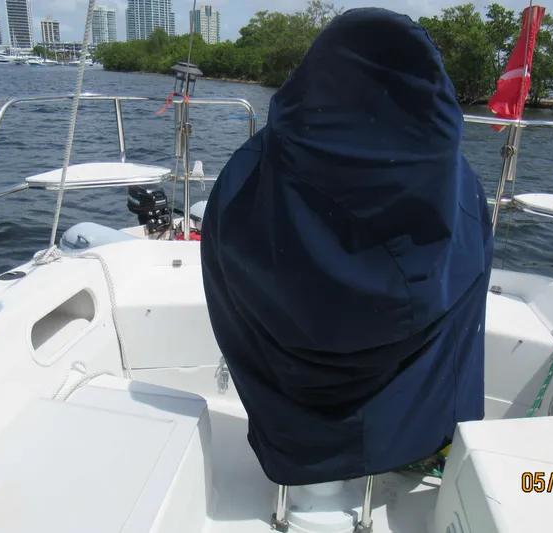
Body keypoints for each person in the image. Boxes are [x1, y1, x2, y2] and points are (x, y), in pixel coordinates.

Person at [201, 7, 493, 486]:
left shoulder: (248, 175)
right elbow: (468, 268)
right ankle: (424, 439)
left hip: (288, 429)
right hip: (414, 417)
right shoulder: (461, 187)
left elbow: (222, 260)